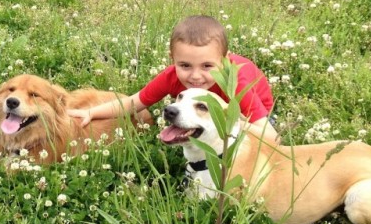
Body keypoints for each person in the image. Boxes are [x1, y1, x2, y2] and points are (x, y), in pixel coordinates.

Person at [69, 15, 278, 139]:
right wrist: (90, 112)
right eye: (185, 65)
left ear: (223, 62)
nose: (196, 76)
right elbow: (134, 102)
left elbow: (270, 137)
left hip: (250, 115)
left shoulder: (235, 83)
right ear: (173, 60)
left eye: (207, 66)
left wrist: (227, 122)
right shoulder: (172, 77)